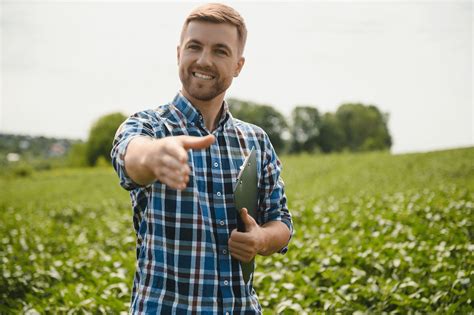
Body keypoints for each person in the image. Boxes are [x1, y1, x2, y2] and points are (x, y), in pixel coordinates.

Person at [111, 3, 293, 314]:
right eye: (195, 47)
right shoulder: (149, 127)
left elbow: (281, 223)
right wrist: (155, 156)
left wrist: (261, 239)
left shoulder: (256, 141)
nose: (204, 60)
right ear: (179, 53)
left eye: (220, 51)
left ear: (238, 65)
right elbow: (131, 155)